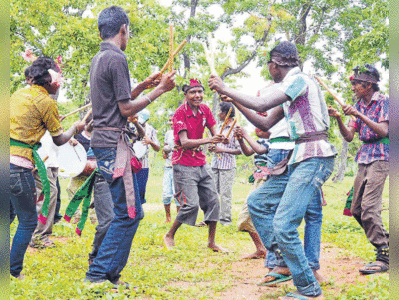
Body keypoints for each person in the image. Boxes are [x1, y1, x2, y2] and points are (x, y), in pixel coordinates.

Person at [209, 41, 336, 299]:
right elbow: (264, 120)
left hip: (314, 156)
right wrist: (232, 98)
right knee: (256, 201)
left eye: (269, 66)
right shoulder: (291, 88)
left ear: (275, 64)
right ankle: (283, 258)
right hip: (297, 157)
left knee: (283, 222)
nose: (269, 70)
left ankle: (309, 289)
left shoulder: (299, 80)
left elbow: (261, 104)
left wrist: (226, 87)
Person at [84, 6, 176, 289]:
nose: (129, 36)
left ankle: (109, 275)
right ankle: (98, 275)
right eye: (129, 32)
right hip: (114, 144)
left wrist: (141, 87)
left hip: (105, 142)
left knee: (130, 212)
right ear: (123, 29)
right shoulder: (117, 58)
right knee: (128, 213)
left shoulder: (99, 58)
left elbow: (117, 101)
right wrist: (159, 90)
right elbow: (124, 109)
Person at [10, 56, 85, 279]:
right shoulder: (46, 102)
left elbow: (26, 126)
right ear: (50, 81)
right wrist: (75, 127)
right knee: (28, 221)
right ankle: (12, 272)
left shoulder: (18, 95)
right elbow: (60, 139)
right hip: (18, 166)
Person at [328, 64, 389, 275]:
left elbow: (383, 130)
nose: (353, 88)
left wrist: (359, 115)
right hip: (364, 156)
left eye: (356, 84)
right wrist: (338, 118)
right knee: (356, 209)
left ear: (369, 84)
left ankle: (385, 253)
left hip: (382, 155)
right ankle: (387, 244)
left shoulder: (384, 102)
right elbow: (349, 136)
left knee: (370, 207)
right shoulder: (358, 104)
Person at [163, 79, 227, 252]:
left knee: (214, 200)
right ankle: (169, 235)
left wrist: (220, 138)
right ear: (186, 95)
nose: (197, 95)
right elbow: (184, 142)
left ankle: (212, 242)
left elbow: (215, 132)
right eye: (193, 92)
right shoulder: (179, 113)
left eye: (200, 91)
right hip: (183, 162)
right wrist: (209, 140)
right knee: (190, 205)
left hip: (200, 161)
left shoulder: (205, 109)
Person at [235, 127, 270, 260]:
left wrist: (246, 136)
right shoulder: (260, 140)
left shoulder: (275, 140)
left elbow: (262, 152)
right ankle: (261, 249)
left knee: (257, 214)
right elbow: (249, 152)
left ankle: (273, 251)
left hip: (269, 180)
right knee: (246, 216)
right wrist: (242, 140)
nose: (257, 128)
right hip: (260, 179)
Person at [208, 102, 241, 226]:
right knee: (212, 193)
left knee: (225, 194)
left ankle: (225, 221)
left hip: (227, 166)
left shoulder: (235, 128)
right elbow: (215, 145)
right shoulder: (217, 127)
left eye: (220, 111)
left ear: (226, 114)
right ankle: (211, 219)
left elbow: (240, 150)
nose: (218, 114)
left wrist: (223, 150)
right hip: (215, 164)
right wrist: (213, 148)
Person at [29, 131, 60, 248]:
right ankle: (38, 236)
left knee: (45, 196)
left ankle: (36, 234)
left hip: (51, 161)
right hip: (41, 161)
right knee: (48, 194)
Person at [135, 108, 160, 203]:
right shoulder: (131, 126)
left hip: (143, 165)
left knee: (140, 190)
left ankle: (138, 213)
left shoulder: (151, 130)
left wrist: (150, 142)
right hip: (130, 163)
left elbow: (157, 148)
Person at [162, 113, 181, 223]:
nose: (170, 123)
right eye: (169, 120)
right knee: (166, 193)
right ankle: (168, 218)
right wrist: (164, 153)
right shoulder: (168, 133)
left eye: (172, 120)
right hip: (168, 166)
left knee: (177, 193)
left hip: (178, 166)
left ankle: (178, 218)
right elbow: (165, 146)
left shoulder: (182, 132)